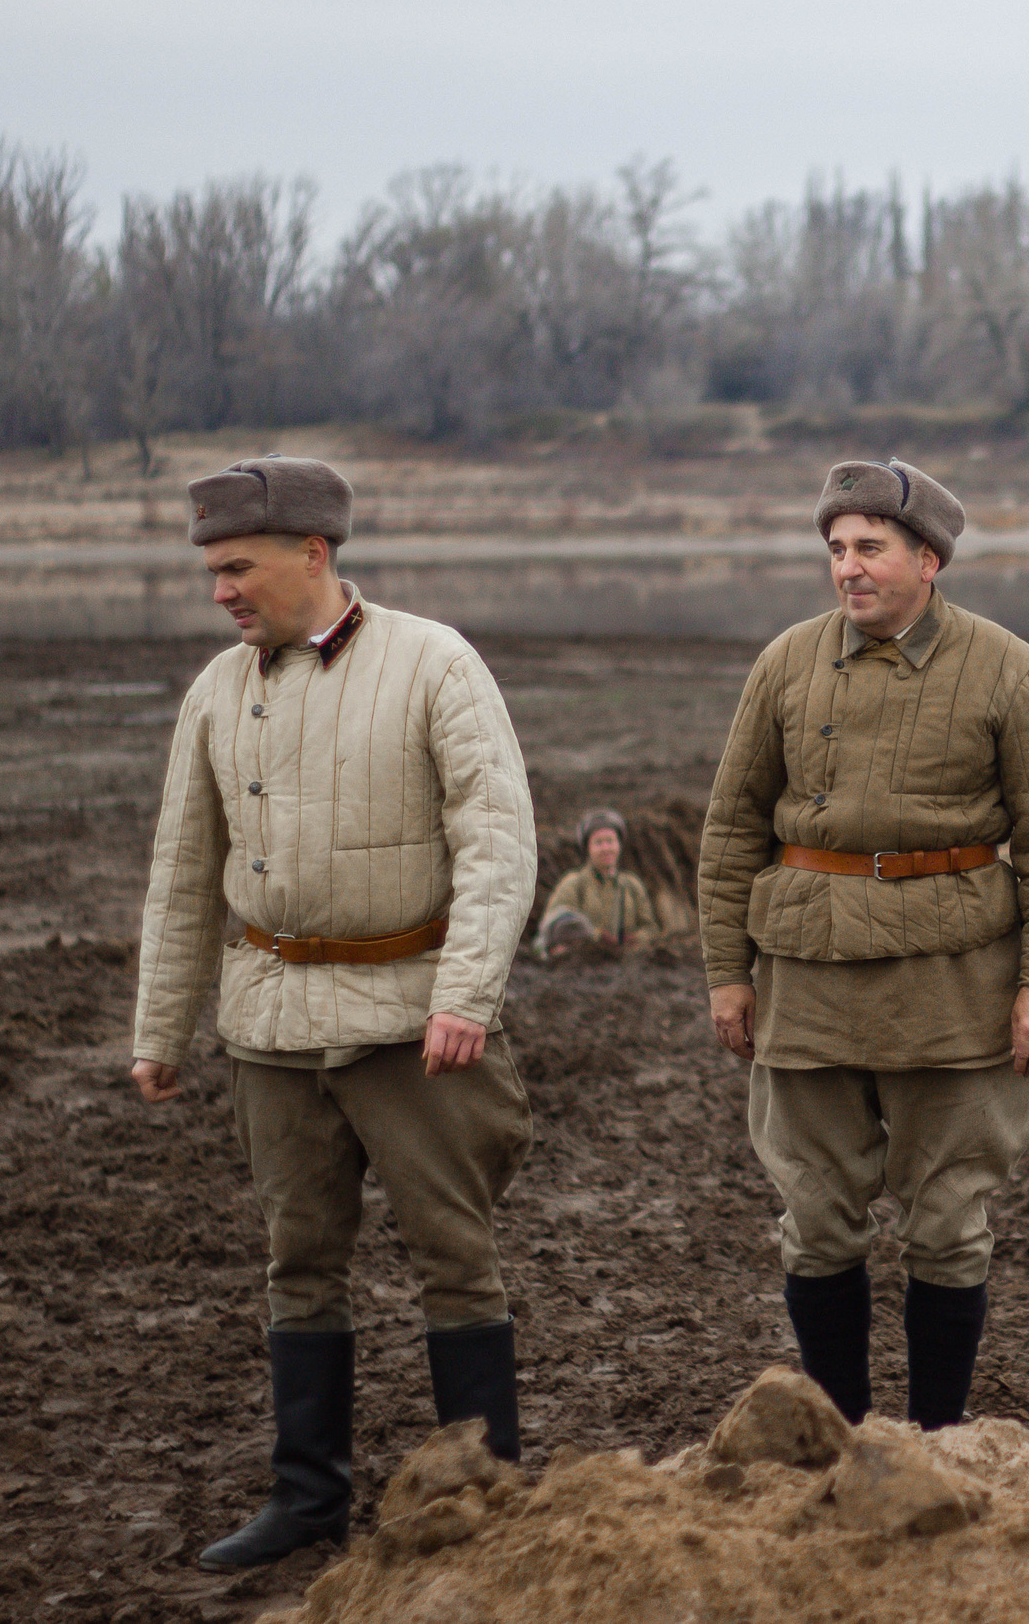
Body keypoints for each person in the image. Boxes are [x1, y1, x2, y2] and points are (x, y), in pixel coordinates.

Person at [126, 456, 539, 1569]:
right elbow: (181, 874)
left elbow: (499, 843)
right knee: (297, 1260)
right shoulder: (217, 691)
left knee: (455, 1256)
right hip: (266, 1026)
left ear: (313, 553)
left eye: (237, 567)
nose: (221, 590)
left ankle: (488, 1499)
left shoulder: (433, 663)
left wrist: (464, 996)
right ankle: (306, 1503)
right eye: (212, 571)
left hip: (410, 1025)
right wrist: (160, 1032)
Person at [699, 458, 1029, 1431]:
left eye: (869, 547)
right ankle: (839, 1438)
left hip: (951, 993)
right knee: (817, 1224)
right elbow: (731, 828)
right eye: (836, 549)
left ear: (928, 558)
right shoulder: (786, 662)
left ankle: (938, 1442)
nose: (848, 568)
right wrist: (725, 975)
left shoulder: (1006, 668)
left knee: (948, 1227)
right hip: (807, 985)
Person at [536, 809, 657, 957]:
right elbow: (555, 925)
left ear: (619, 845)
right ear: (588, 848)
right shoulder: (573, 883)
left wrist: (636, 939)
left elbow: (650, 928)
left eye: (610, 841)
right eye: (598, 842)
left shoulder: (632, 885)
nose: (606, 848)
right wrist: (596, 936)